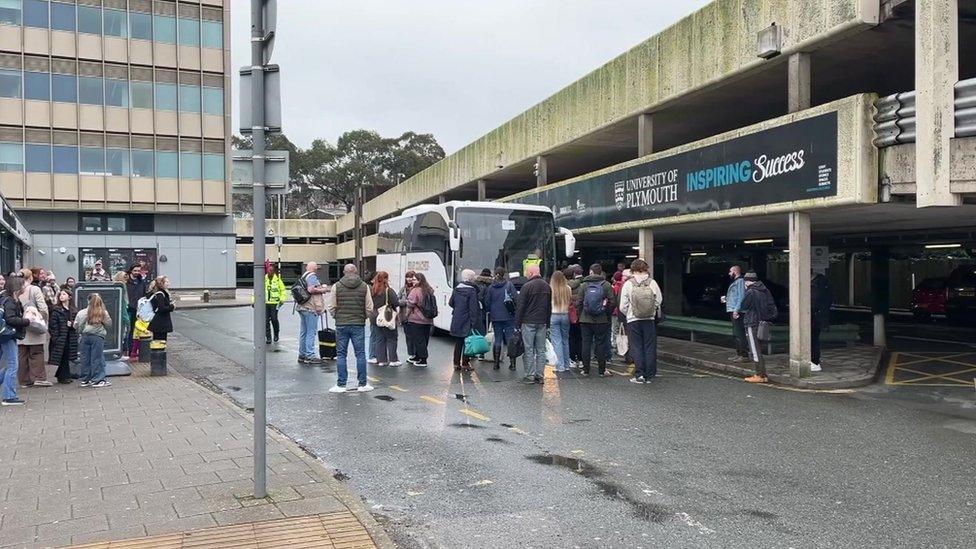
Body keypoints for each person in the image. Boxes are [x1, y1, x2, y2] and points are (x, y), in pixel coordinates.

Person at [326, 264, 374, 393]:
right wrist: (363, 317)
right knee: (360, 354)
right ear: (357, 272)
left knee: (341, 354)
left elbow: (331, 306)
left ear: (343, 272)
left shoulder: (337, 286)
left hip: (341, 324)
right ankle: (362, 384)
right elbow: (369, 307)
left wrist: (336, 316)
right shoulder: (364, 286)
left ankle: (341, 384)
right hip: (358, 324)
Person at [620, 259, 663, 384]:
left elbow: (623, 305)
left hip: (633, 320)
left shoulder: (628, 284)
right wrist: (652, 311)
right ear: (646, 269)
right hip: (649, 319)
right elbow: (659, 300)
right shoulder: (652, 283)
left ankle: (639, 375)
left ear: (633, 270)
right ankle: (649, 375)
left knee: (637, 347)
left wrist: (629, 313)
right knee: (649, 347)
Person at [575, 263, 615, 378]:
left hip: (585, 320)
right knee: (600, 344)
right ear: (600, 272)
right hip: (601, 320)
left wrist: (581, 315)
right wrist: (606, 313)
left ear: (591, 272)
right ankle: (601, 371)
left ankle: (586, 370)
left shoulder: (584, 285)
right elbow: (612, 302)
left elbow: (579, 302)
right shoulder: (606, 285)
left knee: (586, 344)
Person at [515, 264, 551, 384]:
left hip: (528, 321)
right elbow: (549, 307)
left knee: (529, 349)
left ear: (530, 273)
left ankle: (529, 376)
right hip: (542, 322)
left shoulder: (526, 286)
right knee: (541, 350)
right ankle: (540, 375)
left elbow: (521, 307)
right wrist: (548, 322)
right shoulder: (547, 286)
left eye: (526, 272)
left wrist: (517, 323)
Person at [741, 272, 776, 384]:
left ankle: (760, 374)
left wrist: (745, 291)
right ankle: (762, 374)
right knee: (758, 348)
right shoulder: (765, 290)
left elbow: (744, 306)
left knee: (754, 350)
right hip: (762, 323)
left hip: (752, 322)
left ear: (746, 281)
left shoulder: (751, 292)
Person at [17, 268, 50, 388]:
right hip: (34, 327)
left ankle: (24, 381)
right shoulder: (34, 289)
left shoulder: (15, 290)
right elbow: (43, 308)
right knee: (36, 353)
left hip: (20, 327)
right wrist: (44, 320)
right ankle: (38, 378)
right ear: (30, 277)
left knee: (22, 355)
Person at [1, 277, 31, 405]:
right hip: (8, 336)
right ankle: (9, 396)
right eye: (23, 285)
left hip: (5, 335)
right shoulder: (10, 301)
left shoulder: (8, 299)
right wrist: (27, 320)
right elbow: (10, 319)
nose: (25, 287)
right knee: (13, 365)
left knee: (9, 365)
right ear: (17, 288)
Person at [449, 269, 484, 372]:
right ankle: (465, 363)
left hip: (457, 318)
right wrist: (474, 322)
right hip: (467, 319)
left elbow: (451, 303)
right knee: (468, 342)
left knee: (458, 342)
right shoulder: (472, 290)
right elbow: (473, 308)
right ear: (471, 278)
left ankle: (456, 364)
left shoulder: (456, 289)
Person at [483, 267, 518, 370]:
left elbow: (487, 302)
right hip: (508, 316)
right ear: (504, 274)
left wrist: (491, 310)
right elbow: (516, 299)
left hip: (495, 316)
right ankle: (512, 364)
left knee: (497, 339)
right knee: (510, 339)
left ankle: (496, 363)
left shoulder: (491, 287)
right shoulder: (509, 285)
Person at [75, 293, 112, 388]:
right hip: (98, 337)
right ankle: (97, 380)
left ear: (88, 301)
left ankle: (85, 380)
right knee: (97, 358)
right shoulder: (103, 312)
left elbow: (78, 325)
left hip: (85, 336)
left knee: (85, 358)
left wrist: (81, 332)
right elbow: (109, 324)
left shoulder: (82, 312)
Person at [296, 262, 329, 364]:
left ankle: (302, 354)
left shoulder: (304, 276)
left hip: (302, 307)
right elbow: (311, 289)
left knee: (304, 332)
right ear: (315, 268)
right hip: (310, 308)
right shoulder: (312, 276)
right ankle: (310, 355)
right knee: (311, 332)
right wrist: (323, 289)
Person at [370, 271, 400, 367]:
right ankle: (393, 360)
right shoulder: (388, 290)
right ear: (386, 279)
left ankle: (381, 360)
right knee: (391, 338)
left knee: (379, 339)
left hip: (375, 317)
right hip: (387, 316)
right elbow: (396, 302)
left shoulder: (372, 290)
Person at [48, 289, 78, 384]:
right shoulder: (56, 310)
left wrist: (72, 324)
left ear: (69, 297)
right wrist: (56, 337)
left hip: (70, 336)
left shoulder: (73, 310)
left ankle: (64, 375)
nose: (61, 296)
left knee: (67, 355)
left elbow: (77, 323)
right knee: (62, 356)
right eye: (60, 294)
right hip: (61, 337)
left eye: (64, 294)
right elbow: (53, 325)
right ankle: (63, 376)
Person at [549, 270, 572, 373]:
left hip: (554, 315)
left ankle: (560, 365)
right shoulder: (568, 288)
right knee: (565, 340)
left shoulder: (551, 289)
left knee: (556, 341)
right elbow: (570, 301)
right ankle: (567, 364)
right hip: (565, 314)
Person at [723, 265, 747, 362]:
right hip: (732, 309)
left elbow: (741, 296)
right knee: (736, 334)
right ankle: (739, 353)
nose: (729, 273)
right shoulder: (735, 282)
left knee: (739, 333)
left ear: (735, 272)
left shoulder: (740, 282)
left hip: (737, 311)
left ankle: (744, 355)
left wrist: (736, 310)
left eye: (730, 271)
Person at [124, 264, 148, 359]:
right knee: (128, 330)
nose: (137, 272)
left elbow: (144, 294)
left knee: (136, 330)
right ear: (131, 271)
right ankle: (127, 349)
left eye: (138, 270)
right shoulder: (126, 282)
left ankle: (133, 350)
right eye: (135, 270)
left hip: (139, 310)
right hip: (129, 309)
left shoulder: (141, 282)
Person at [810, 271, 832, 373]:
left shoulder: (819, 286)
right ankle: (813, 361)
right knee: (813, 338)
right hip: (814, 315)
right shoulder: (822, 285)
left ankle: (814, 361)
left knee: (814, 338)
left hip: (815, 315)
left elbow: (821, 300)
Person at [565, 265, 584, 368]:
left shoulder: (564, 287)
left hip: (568, 314)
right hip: (579, 314)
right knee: (580, 338)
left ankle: (572, 359)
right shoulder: (581, 285)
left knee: (570, 338)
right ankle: (581, 360)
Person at [263, 265, 287, 345]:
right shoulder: (263, 279)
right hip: (265, 303)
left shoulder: (277, 280)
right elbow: (257, 290)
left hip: (275, 303)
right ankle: (268, 337)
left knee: (274, 319)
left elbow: (283, 290)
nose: (270, 272)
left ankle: (276, 334)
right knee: (266, 320)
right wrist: (254, 301)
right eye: (269, 270)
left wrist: (282, 299)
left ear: (274, 271)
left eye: (272, 270)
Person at [147, 276, 175, 342]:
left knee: (160, 341)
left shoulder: (161, 293)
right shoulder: (160, 294)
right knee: (159, 342)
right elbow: (161, 308)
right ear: (161, 283)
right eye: (167, 282)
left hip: (160, 323)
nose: (169, 283)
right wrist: (172, 306)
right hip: (160, 323)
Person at [398, 271, 418, 359]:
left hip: (415, 316)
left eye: (411, 277)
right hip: (405, 316)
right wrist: (406, 302)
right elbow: (396, 300)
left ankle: (417, 354)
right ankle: (411, 354)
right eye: (407, 277)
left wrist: (408, 302)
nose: (409, 279)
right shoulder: (403, 289)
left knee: (416, 337)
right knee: (408, 337)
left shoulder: (417, 289)